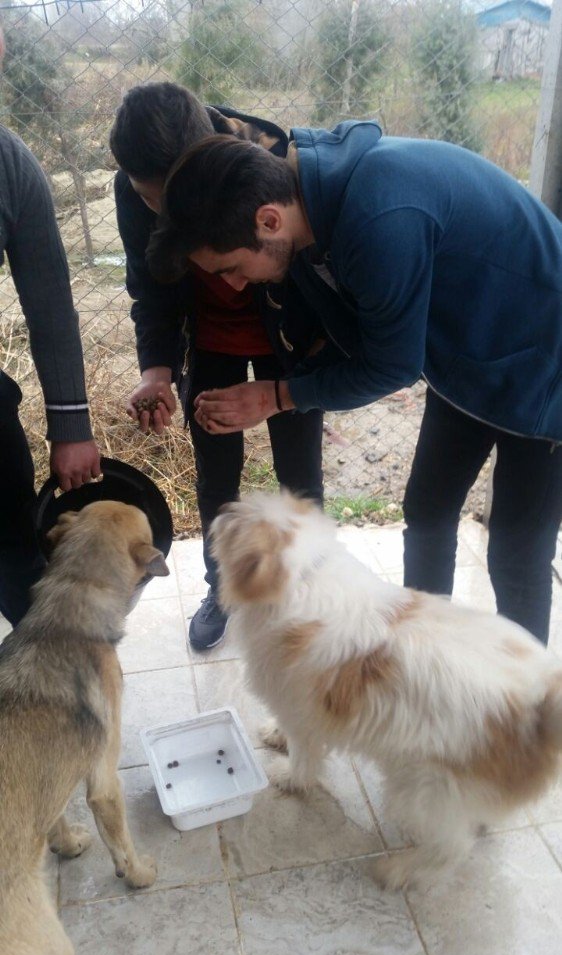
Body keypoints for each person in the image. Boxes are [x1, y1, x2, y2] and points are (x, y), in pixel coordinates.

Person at [147, 121, 562, 646]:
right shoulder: (309, 210)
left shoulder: (378, 216)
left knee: (517, 549)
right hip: (469, 356)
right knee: (429, 512)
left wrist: (279, 396)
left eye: (231, 267)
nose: (233, 285)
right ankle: (422, 652)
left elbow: (391, 366)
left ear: (268, 219)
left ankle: (529, 708)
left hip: (544, 363)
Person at [109, 83, 324, 651]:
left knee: (300, 472)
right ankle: (221, 587)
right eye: (150, 202)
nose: (160, 213)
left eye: (168, 201)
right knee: (215, 475)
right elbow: (149, 285)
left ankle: (310, 587)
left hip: (290, 342)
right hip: (210, 341)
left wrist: (287, 389)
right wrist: (156, 368)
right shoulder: (133, 189)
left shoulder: (274, 163)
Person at [0, 31, 100, 627]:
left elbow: (52, 306)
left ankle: (54, 699)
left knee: (17, 555)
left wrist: (71, 427)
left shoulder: (10, 165)